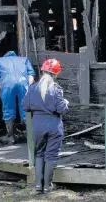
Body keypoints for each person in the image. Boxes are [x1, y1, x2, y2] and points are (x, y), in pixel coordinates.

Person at [23, 58, 69, 194]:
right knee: (51, 155)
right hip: (54, 125)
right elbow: (62, 109)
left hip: (37, 125)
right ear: (55, 74)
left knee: (39, 153)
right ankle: (47, 186)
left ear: (42, 71)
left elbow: (25, 106)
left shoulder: (32, 88)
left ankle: (38, 185)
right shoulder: (56, 89)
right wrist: (65, 103)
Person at [0, 50, 36, 144]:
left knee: (8, 109)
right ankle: (30, 136)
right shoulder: (24, 59)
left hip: (7, 84)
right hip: (23, 82)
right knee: (25, 108)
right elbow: (31, 73)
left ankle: (10, 136)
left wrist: (2, 85)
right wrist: (28, 86)